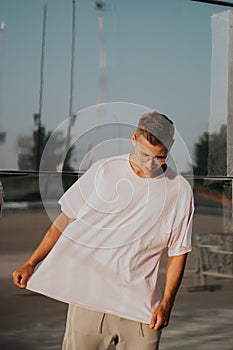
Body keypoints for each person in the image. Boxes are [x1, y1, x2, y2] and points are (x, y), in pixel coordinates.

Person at [13, 111, 194, 350]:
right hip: (89, 300)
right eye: (143, 154)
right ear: (133, 139)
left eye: (159, 157)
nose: (149, 164)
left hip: (140, 310)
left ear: (170, 147)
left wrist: (166, 304)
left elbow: (178, 252)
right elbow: (64, 220)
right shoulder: (104, 170)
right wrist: (31, 262)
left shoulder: (179, 190)